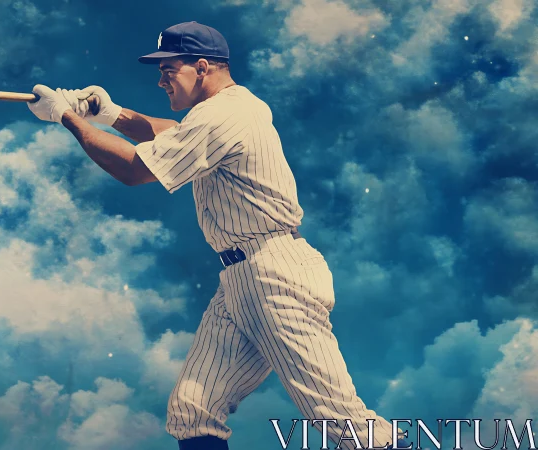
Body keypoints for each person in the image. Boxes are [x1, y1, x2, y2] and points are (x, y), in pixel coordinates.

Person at [27, 21, 406, 450]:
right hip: (242, 279)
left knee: (346, 424)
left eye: (169, 69)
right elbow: (170, 135)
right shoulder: (224, 111)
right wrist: (111, 115)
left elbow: (134, 170)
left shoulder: (225, 113)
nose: (161, 79)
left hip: (274, 275)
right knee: (193, 412)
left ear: (202, 66)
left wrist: (68, 118)